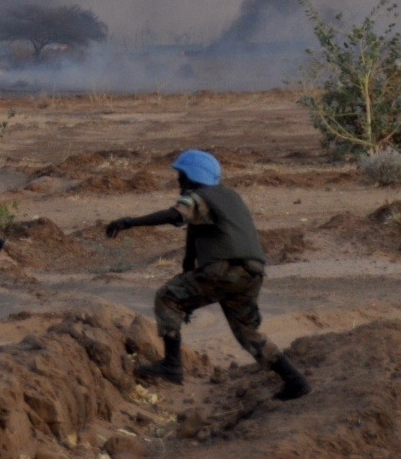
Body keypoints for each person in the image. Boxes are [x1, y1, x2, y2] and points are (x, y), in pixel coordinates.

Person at [104, 149, 310, 400]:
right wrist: (187, 299)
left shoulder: (199, 197)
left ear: (191, 176)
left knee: (167, 296)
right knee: (248, 333)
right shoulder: (230, 197)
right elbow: (191, 250)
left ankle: (172, 366)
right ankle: (295, 381)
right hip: (252, 273)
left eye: (181, 175)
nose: (178, 181)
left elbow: (174, 215)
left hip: (227, 270)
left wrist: (129, 222)